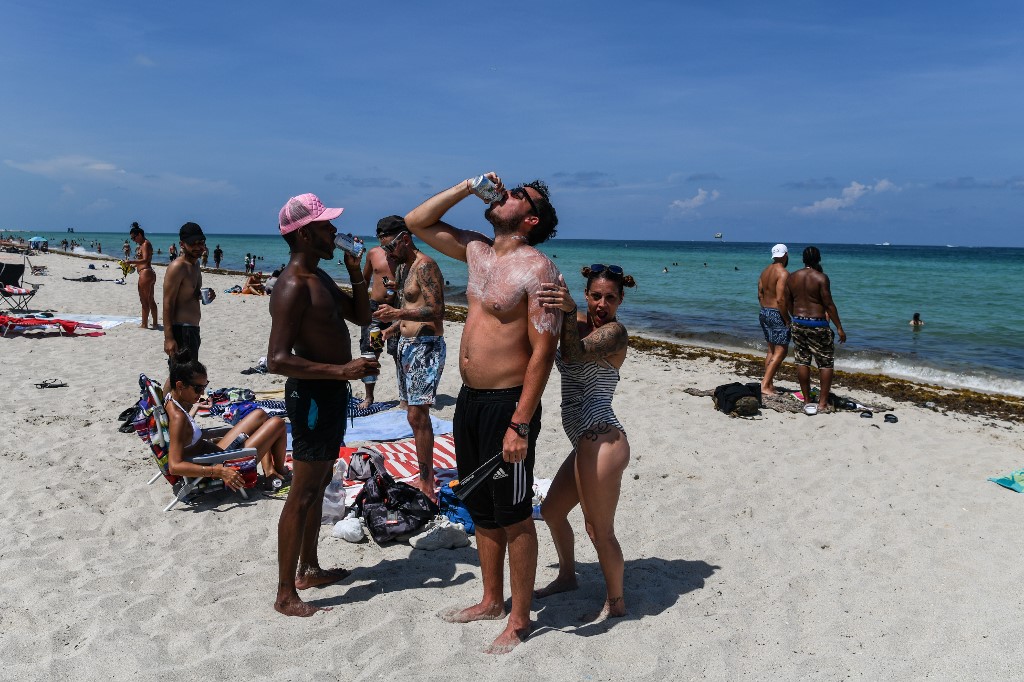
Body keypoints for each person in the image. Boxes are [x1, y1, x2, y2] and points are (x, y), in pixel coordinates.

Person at [405, 172, 562, 654]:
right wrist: (467, 186)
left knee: (514, 513)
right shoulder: (477, 251)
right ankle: (492, 599)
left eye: (518, 195)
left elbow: (544, 351)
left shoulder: (539, 271)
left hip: (506, 405)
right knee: (480, 509)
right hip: (470, 401)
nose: (506, 194)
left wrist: (520, 422)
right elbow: (417, 221)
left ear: (530, 218)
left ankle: (518, 619)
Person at [267, 192, 378, 617]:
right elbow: (277, 359)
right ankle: (284, 593)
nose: (335, 231)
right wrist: (342, 371)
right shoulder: (292, 285)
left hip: (330, 394)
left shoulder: (321, 277)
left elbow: (361, 315)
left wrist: (357, 272)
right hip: (312, 395)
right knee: (303, 492)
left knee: (319, 485)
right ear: (307, 233)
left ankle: (308, 568)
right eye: (327, 226)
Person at [536, 264, 635, 620]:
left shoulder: (615, 333)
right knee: (550, 511)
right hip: (583, 441)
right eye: (596, 296)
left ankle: (617, 602)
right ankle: (566, 576)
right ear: (586, 295)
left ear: (620, 300)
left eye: (610, 298)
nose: (601, 304)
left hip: (603, 439)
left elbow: (574, 354)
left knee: (598, 528)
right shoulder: (575, 321)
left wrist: (564, 313)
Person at [371, 216, 446, 502]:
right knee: (411, 415)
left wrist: (397, 315)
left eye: (390, 247)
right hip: (406, 343)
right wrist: (392, 328)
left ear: (404, 238)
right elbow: (408, 303)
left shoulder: (425, 265)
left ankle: (427, 484)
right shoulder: (403, 268)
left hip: (426, 346)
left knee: (418, 414)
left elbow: (437, 311)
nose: (387, 254)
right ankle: (422, 474)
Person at [164, 351, 290, 492]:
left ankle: (269, 470)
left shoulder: (170, 398)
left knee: (260, 415)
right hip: (217, 465)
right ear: (180, 385)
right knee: (277, 423)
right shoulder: (178, 418)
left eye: (204, 387)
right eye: (198, 389)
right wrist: (219, 472)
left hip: (214, 454)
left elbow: (184, 434)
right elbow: (174, 466)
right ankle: (280, 471)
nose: (201, 394)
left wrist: (195, 408)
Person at [785, 246, 846, 416]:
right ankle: (823, 403)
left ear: (803, 259)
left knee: (802, 361)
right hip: (818, 324)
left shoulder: (792, 277)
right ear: (819, 259)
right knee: (825, 363)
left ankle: (806, 400)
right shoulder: (821, 278)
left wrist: (794, 316)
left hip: (798, 323)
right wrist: (839, 327)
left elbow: (786, 300)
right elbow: (828, 304)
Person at [356, 221, 400, 410]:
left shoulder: (406, 256)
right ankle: (369, 396)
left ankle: (405, 397)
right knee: (372, 352)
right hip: (376, 312)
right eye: (379, 235)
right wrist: (359, 305)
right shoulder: (374, 254)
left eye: (385, 235)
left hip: (398, 310)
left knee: (399, 352)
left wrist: (398, 286)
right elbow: (364, 280)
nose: (382, 238)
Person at [163, 223, 214, 377]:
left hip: (192, 330)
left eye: (201, 243)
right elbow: (167, 303)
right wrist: (169, 338)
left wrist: (206, 294)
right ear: (182, 244)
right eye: (193, 244)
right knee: (182, 378)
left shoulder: (196, 265)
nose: (198, 247)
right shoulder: (177, 267)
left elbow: (192, 294)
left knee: (181, 377)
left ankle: (162, 402)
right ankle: (164, 402)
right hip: (181, 331)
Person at [757, 244, 792, 396]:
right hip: (776, 312)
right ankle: (765, 385)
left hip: (764, 311)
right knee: (781, 350)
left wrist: (765, 309)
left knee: (771, 350)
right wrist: (787, 318)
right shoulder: (783, 273)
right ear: (785, 255)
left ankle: (769, 384)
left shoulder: (765, 272)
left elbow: (760, 294)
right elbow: (780, 299)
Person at [127, 222, 158, 329]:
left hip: (145, 273)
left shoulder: (145, 244)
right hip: (148, 272)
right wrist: (133, 266)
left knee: (144, 300)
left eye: (133, 238)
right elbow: (143, 260)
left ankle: (144, 324)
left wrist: (131, 261)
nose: (133, 240)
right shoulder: (144, 244)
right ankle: (154, 323)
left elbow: (145, 259)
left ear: (139, 235)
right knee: (150, 299)